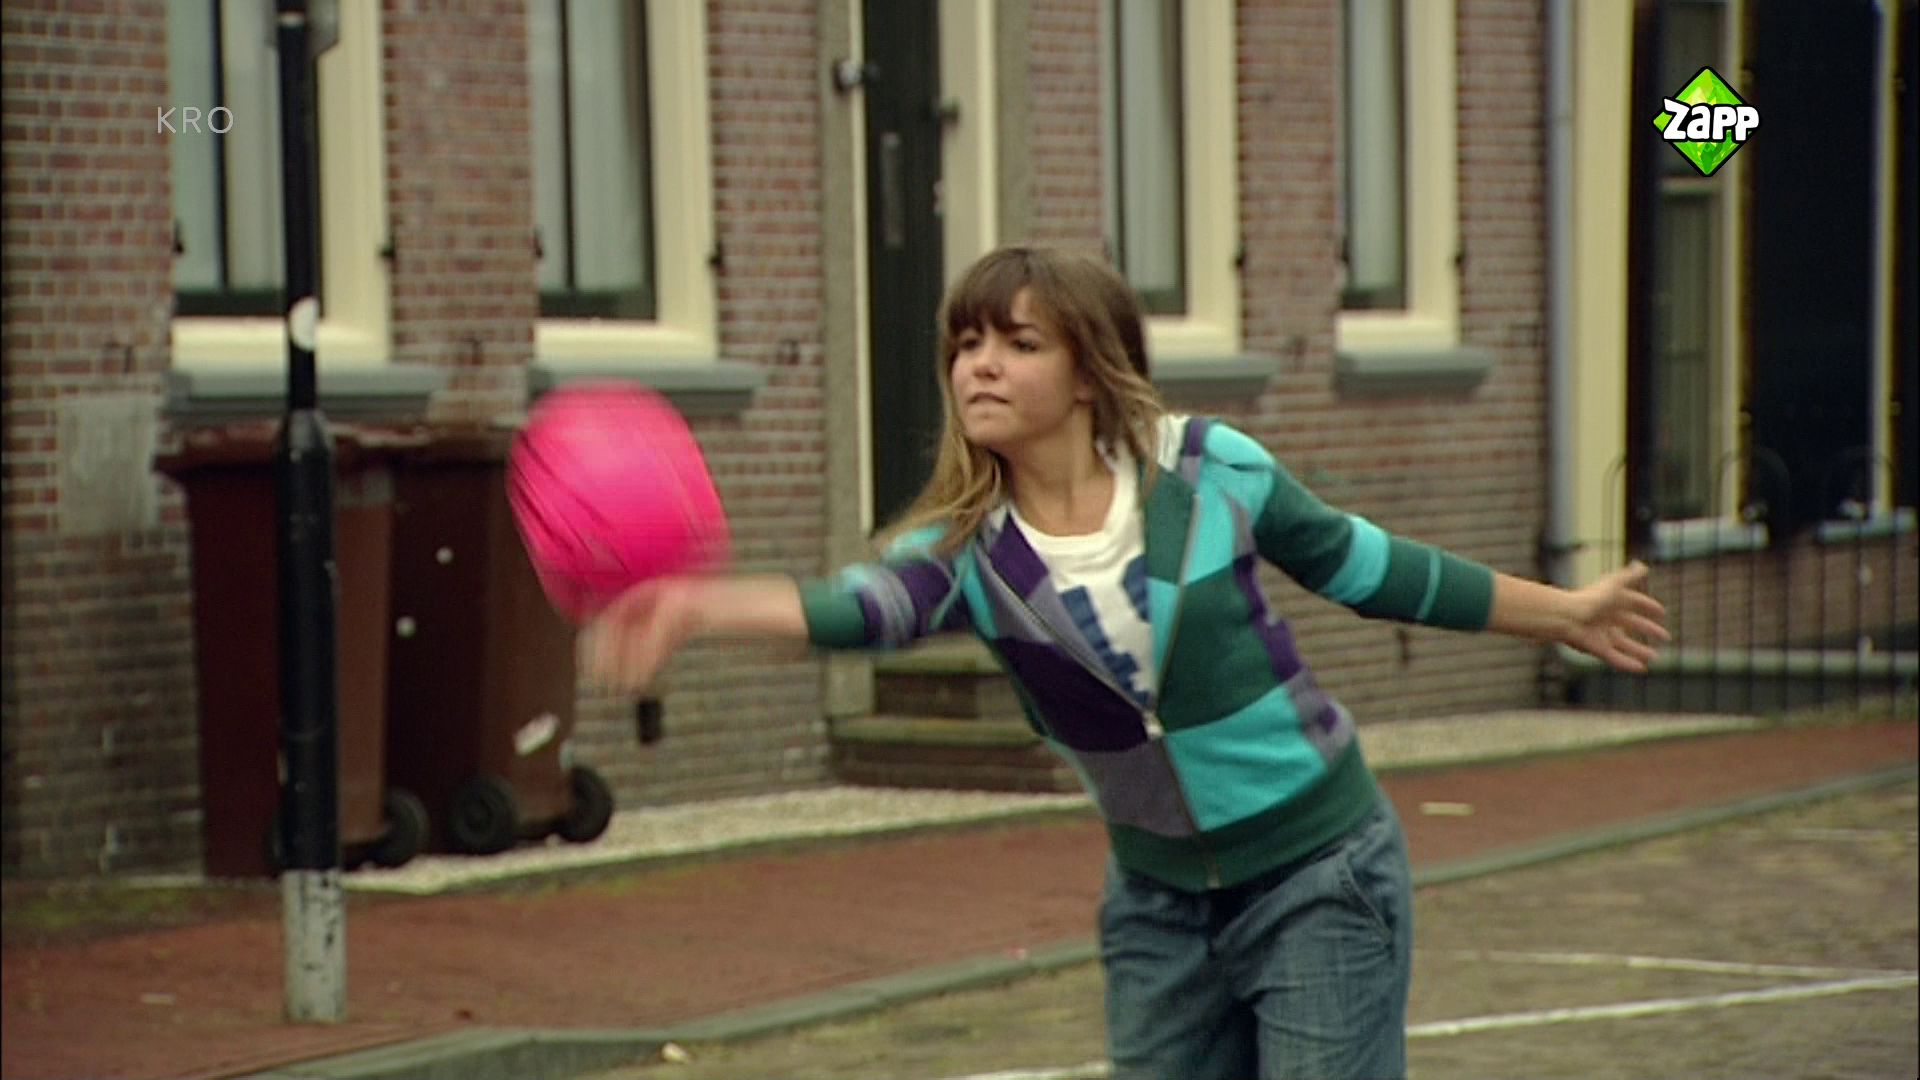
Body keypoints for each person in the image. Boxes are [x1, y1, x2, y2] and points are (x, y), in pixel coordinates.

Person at [579, 245, 1669, 1080]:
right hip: (1159, 912)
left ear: (1088, 373)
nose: (980, 365)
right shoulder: (964, 552)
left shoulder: (1208, 469)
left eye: (1017, 343)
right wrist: (695, 604)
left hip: (1320, 874)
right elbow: (856, 608)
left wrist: (1564, 614)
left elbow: (1369, 566)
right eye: (965, 344)